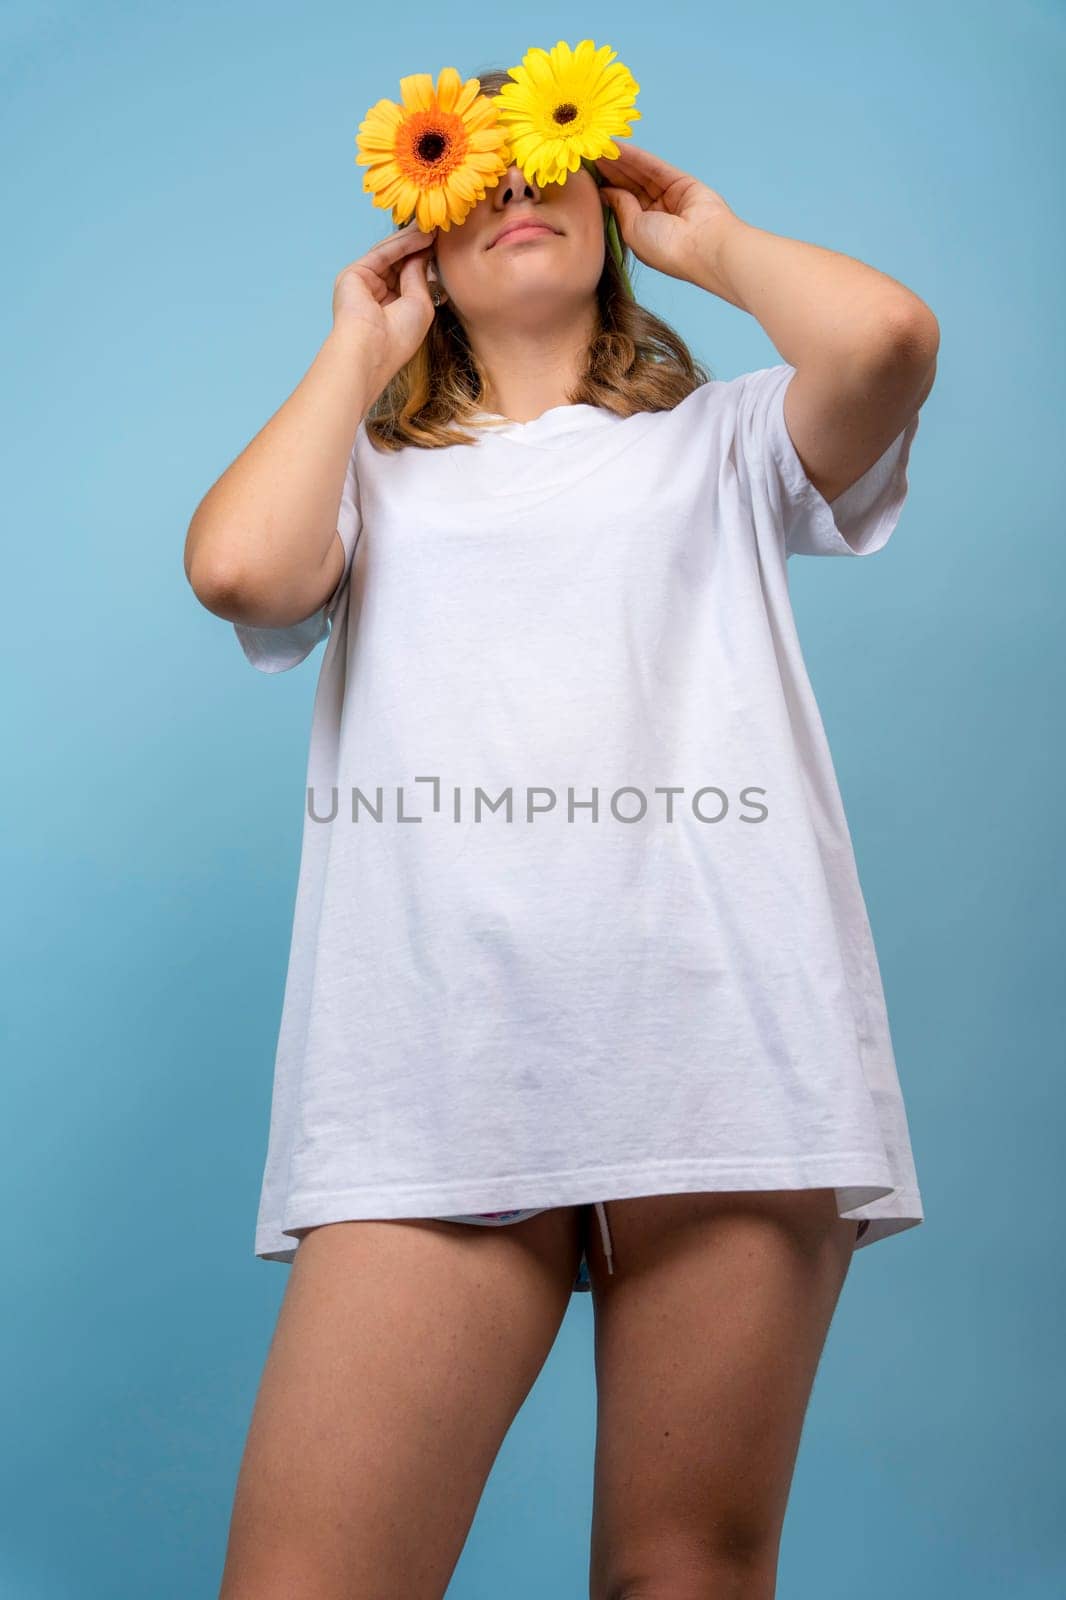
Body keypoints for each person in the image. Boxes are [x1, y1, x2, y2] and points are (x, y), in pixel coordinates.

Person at [186, 47, 938, 1600]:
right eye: (477, 167)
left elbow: (886, 338)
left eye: (555, 154)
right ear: (425, 233)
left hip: (725, 1059)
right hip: (431, 1069)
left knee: (684, 1574)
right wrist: (355, 344)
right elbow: (242, 573)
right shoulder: (370, 484)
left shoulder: (729, 444)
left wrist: (711, 242)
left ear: (609, 197)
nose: (522, 184)